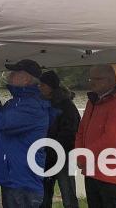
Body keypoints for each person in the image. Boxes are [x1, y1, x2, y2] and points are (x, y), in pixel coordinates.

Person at [0, 58, 53, 208]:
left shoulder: (31, 105)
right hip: (13, 177)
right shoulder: (15, 103)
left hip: (24, 181)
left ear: (26, 79)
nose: (9, 75)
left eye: (15, 72)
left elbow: (1, 122)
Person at [75, 64, 116, 208]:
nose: (92, 82)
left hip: (111, 172)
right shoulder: (92, 102)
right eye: (91, 78)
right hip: (92, 169)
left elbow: (112, 139)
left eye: (97, 79)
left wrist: (84, 156)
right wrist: (80, 154)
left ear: (110, 80)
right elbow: (81, 131)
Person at [39, 70, 80, 208]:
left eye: (43, 85)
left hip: (64, 156)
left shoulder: (67, 106)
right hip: (46, 156)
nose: (40, 87)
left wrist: (53, 149)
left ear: (51, 86)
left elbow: (70, 132)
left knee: (68, 195)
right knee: (44, 196)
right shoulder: (41, 104)